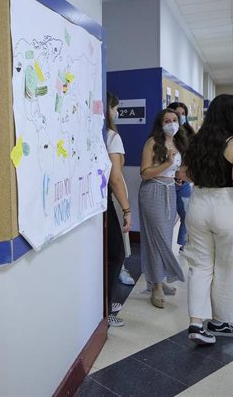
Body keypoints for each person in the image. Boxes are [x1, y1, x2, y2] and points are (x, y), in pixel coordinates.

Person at [181, 94, 233, 345]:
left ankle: (195, 323)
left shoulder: (198, 140)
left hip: (199, 204)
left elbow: (187, 175)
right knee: (227, 266)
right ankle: (221, 322)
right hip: (227, 207)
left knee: (200, 265)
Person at [139, 108, 187, 309]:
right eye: (167, 120)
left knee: (166, 238)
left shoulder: (179, 143)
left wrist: (178, 176)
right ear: (160, 124)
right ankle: (157, 285)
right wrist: (166, 163)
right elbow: (145, 173)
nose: (172, 123)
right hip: (152, 191)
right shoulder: (152, 143)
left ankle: (159, 279)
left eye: (175, 119)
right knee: (157, 238)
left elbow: (177, 169)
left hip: (170, 191)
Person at [105, 92, 132, 327]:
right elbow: (115, 178)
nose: (117, 112)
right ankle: (106, 307)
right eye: (115, 107)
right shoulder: (111, 136)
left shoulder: (97, 134)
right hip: (106, 202)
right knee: (116, 254)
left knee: (105, 256)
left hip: (94, 203)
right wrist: (126, 209)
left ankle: (105, 300)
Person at [167, 102, 195, 252]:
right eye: (177, 114)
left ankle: (184, 243)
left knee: (187, 214)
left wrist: (184, 175)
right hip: (168, 182)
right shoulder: (164, 136)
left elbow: (193, 158)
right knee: (167, 218)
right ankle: (165, 249)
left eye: (182, 114)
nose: (180, 117)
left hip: (184, 182)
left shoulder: (191, 135)